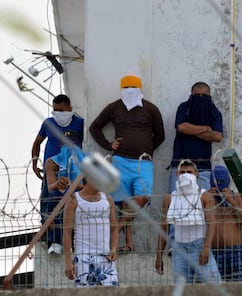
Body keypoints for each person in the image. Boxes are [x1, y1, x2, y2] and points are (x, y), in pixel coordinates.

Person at [89, 74, 165, 253]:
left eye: (133, 89)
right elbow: (94, 127)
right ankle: (128, 243)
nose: (130, 92)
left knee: (141, 197)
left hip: (143, 163)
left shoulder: (150, 109)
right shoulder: (114, 107)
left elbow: (161, 135)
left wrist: (146, 149)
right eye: (127, 89)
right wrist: (109, 145)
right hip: (120, 161)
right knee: (122, 202)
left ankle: (116, 230)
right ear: (122, 90)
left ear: (140, 90)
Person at [31, 94, 84, 253]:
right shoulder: (48, 123)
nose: (58, 113)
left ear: (69, 108)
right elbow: (37, 143)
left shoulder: (80, 123)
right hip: (51, 171)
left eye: (61, 110)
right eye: (55, 110)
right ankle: (50, 239)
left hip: (72, 171)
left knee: (72, 206)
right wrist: (34, 162)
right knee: (49, 203)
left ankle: (71, 241)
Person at [155, 159, 221, 283]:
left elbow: (212, 223)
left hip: (199, 245)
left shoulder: (204, 196)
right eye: (182, 172)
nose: (185, 175)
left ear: (196, 174)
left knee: (213, 286)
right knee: (182, 289)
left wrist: (206, 247)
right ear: (177, 174)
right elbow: (164, 227)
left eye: (189, 172)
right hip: (179, 249)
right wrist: (159, 255)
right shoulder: (170, 198)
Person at [63, 179, 119, 286]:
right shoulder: (74, 200)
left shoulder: (108, 199)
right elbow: (67, 232)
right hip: (83, 257)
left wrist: (114, 249)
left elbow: (114, 228)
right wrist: (68, 262)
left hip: (105, 256)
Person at [168, 81, 223, 191]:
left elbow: (217, 136)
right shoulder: (184, 107)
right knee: (175, 203)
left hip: (203, 169)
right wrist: (206, 129)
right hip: (180, 167)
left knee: (203, 203)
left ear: (209, 96)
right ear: (192, 95)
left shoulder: (214, 112)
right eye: (197, 95)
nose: (200, 98)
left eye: (204, 95)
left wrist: (191, 130)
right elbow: (181, 127)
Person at [44, 144, 84, 254]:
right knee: (54, 197)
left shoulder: (85, 160)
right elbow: (50, 187)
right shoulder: (52, 162)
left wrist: (73, 185)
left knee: (69, 198)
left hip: (80, 194)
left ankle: (73, 242)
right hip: (62, 195)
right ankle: (56, 242)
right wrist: (59, 183)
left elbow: (92, 187)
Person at [208, 165, 242, 281]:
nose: (218, 185)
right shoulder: (206, 198)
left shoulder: (237, 197)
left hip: (235, 250)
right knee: (214, 289)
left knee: (238, 288)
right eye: (216, 182)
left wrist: (231, 202)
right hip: (214, 250)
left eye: (221, 182)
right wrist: (207, 200)